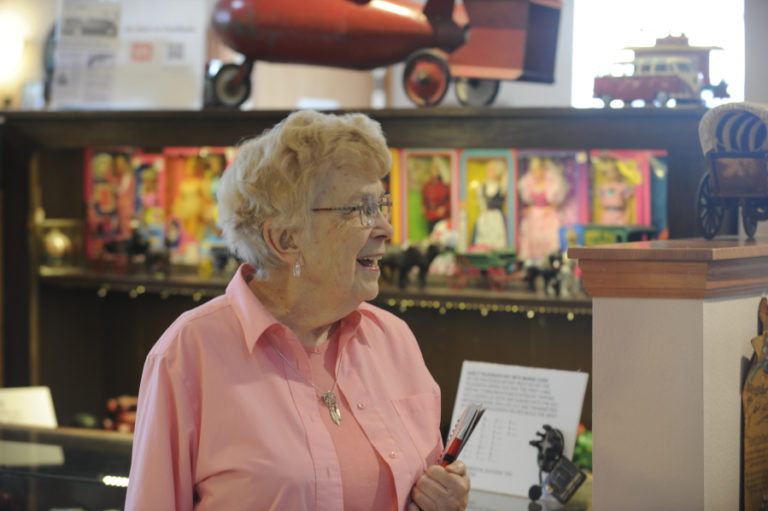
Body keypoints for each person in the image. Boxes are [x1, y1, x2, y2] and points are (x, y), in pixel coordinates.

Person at [125, 110, 470, 510]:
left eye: (382, 204)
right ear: (286, 239)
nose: (385, 228)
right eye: (361, 209)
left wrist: (444, 498)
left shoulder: (393, 340)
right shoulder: (189, 353)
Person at [517, 156, 569, 261]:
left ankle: (549, 261)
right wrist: (531, 208)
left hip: (548, 216)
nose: (535, 173)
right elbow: (531, 200)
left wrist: (550, 209)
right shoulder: (530, 183)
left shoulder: (551, 183)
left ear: (543, 169)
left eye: (537, 170)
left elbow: (558, 201)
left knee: (548, 240)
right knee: (532, 240)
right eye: (533, 170)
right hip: (534, 216)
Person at [471, 159, 508, 249]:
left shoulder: (501, 186)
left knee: (498, 242)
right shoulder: (482, 187)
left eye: (492, 169)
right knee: (483, 241)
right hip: (485, 218)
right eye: (489, 169)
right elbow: (482, 204)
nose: (489, 171)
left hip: (497, 218)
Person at [597, 158, 633, 225]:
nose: (612, 173)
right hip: (606, 216)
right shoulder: (603, 187)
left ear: (619, 172)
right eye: (609, 171)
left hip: (619, 215)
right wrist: (601, 218)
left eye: (614, 171)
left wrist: (626, 218)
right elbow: (600, 205)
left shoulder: (623, 187)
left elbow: (628, 205)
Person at [421, 156, 451, 234]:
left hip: (441, 217)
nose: (434, 170)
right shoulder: (427, 186)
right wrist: (424, 208)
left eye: (436, 168)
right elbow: (424, 200)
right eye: (433, 168)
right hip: (430, 216)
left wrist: (444, 208)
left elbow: (450, 201)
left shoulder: (445, 185)